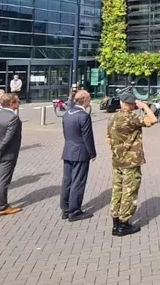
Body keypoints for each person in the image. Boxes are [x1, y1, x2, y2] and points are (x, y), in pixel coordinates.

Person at [106, 90, 158, 236]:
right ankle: (124, 224)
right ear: (131, 104)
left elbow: (108, 138)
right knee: (129, 191)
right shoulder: (132, 117)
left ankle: (115, 223)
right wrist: (145, 107)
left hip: (117, 160)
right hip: (131, 161)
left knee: (117, 190)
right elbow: (153, 120)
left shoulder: (113, 118)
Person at [60, 89, 96, 221]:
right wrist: (92, 153)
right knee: (78, 182)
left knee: (67, 181)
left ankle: (65, 209)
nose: (90, 100)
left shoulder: (67, 113)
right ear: (85, 99)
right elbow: (87, 137)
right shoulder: (84, 116)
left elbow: (65, 133)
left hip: (68, 150)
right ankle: (74, 211)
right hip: (80, 152)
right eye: (89, 98)